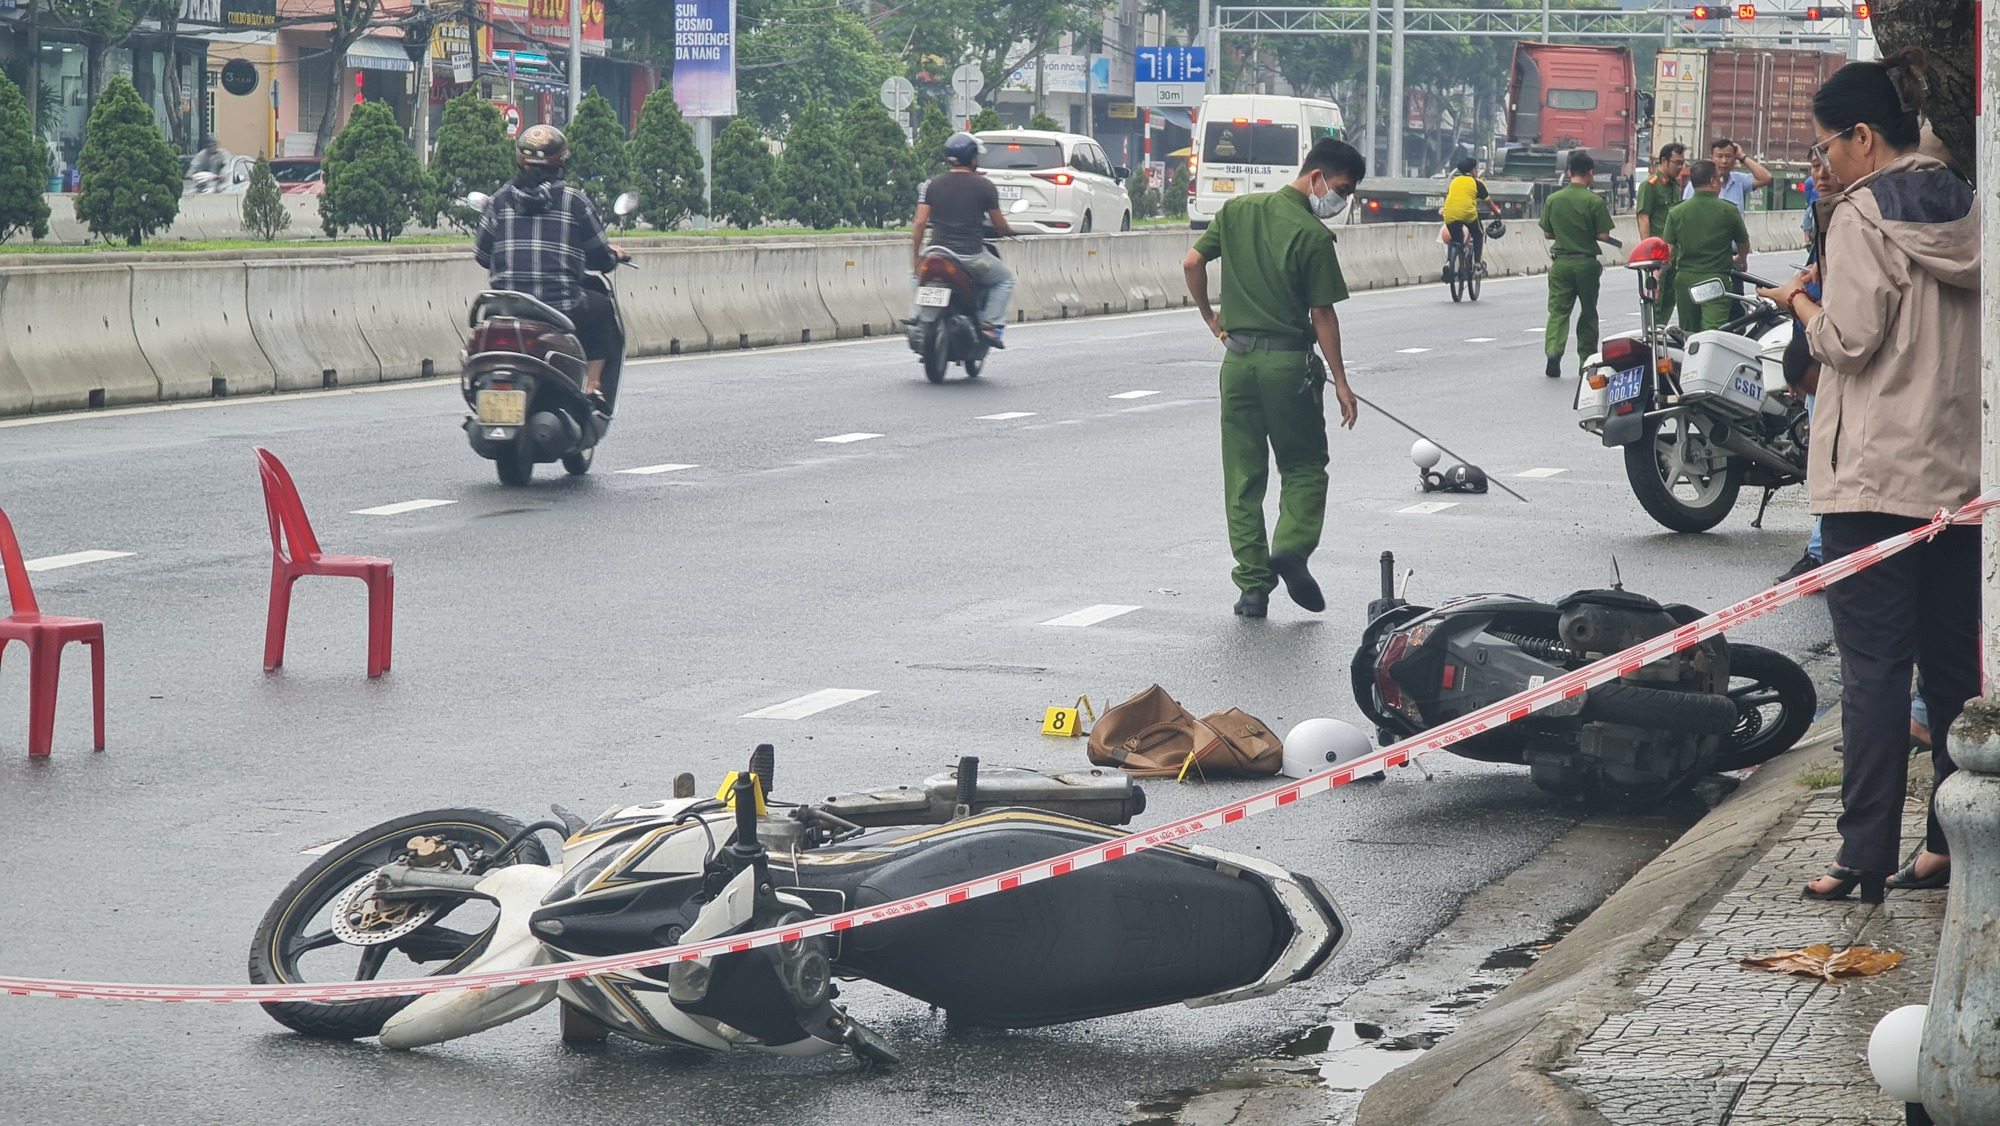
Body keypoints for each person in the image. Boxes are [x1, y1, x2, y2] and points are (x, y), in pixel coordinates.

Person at [1756, 48, 1978, 904]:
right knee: (1954, 670)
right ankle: (1955, 842)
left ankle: (1859, 857)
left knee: (1877, 671)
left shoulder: (1860, 214)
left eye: (1824, 148)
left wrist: (1801, 302)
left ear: (1862, 135)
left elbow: (1847, 343)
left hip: (1876, 480)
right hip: (1958, 479)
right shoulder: (1964, 201)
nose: (1822, 164)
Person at [1183, 138, 1365, 620]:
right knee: (1304, 466)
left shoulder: (1237, 210)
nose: (1340, 201)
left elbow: (1192, 262)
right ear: (1317, 176)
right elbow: (1322, 314)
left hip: (1237, 365)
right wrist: (1342, 382)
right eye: (1341, 189)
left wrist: (1209, 318)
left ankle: (1252, 589)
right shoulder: (1311, 234)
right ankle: (1290, 547)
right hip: (1289, 367)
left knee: (1243, 477)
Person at [474, 124, 627, 410]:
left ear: (520, 160)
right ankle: (593, 386)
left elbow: (483, 255)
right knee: (603, 310)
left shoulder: (499, 200)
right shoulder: (574, 201)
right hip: (563, 306)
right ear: (562, 162)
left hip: (506, 308)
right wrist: (612, 256)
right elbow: (599, 258)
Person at [910, 132, 1017, 348]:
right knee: (1004, 280)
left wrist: (915, 258)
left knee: (915, 276)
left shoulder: (932, 184)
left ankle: (916, 317)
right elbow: (999, 225)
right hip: (970, 255)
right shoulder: (985, 186)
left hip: (936, 251)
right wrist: (1010, 231)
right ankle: (990, 325)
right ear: (973, 158)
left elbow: (920, 223)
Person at [1539, 150, 1615, 379]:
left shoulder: (1554, 199)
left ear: (1569, 172)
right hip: (1586, 265)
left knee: (1558, 312)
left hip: (1561, 264)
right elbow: (1603, 235)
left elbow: (1547, 233)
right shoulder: (1594, 201)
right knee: (1589, 313)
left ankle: (1554, 352)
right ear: (1590, 174)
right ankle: (1587, 361)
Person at [1662, 160, 1750, 332]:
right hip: (1714, 281)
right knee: (1712, 334)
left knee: (1689, 334)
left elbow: (1667, 250)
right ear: (1712, 181)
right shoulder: (1728, 210)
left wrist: (1657, 277)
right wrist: (1741, 258)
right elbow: (1743, 243)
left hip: (1685, 281)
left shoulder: (1677, 212)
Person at [1684, 138, 1772, 277]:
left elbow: (1766, 177)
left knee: (1735, 297)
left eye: (1729, 156)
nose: (1724, 161)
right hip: (1705, 259)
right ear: (1711, 158)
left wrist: (1742, 157)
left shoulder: (1739, 181)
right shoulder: (1695, 186)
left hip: (1734, 259)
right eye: (1719, 156)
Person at [1635, 144, 1686, 323]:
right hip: (1658, 254)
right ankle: (1652, 337)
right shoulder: (1650, 186)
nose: (1680, 167)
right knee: (1655, 298)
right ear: (1664, 161)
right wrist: (1649, 254)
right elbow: (1643, 218)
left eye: (1682, 163)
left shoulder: (1674, 186)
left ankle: (1661, 331)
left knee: (1670, 298)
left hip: (1675, 253)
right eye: (1676, 163)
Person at [1439, 157, 1497, 275]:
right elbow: (1488, 202)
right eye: (1475, 169)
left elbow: (1450, 197)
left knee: (1455, 240)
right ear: (1472, 171)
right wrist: (1497, 212)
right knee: (1478, 233)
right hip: (1468, 214)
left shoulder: (1454, 182)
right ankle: (1477, 262)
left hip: (1449, 213)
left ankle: (1449, 262)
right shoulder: (1477, 183)